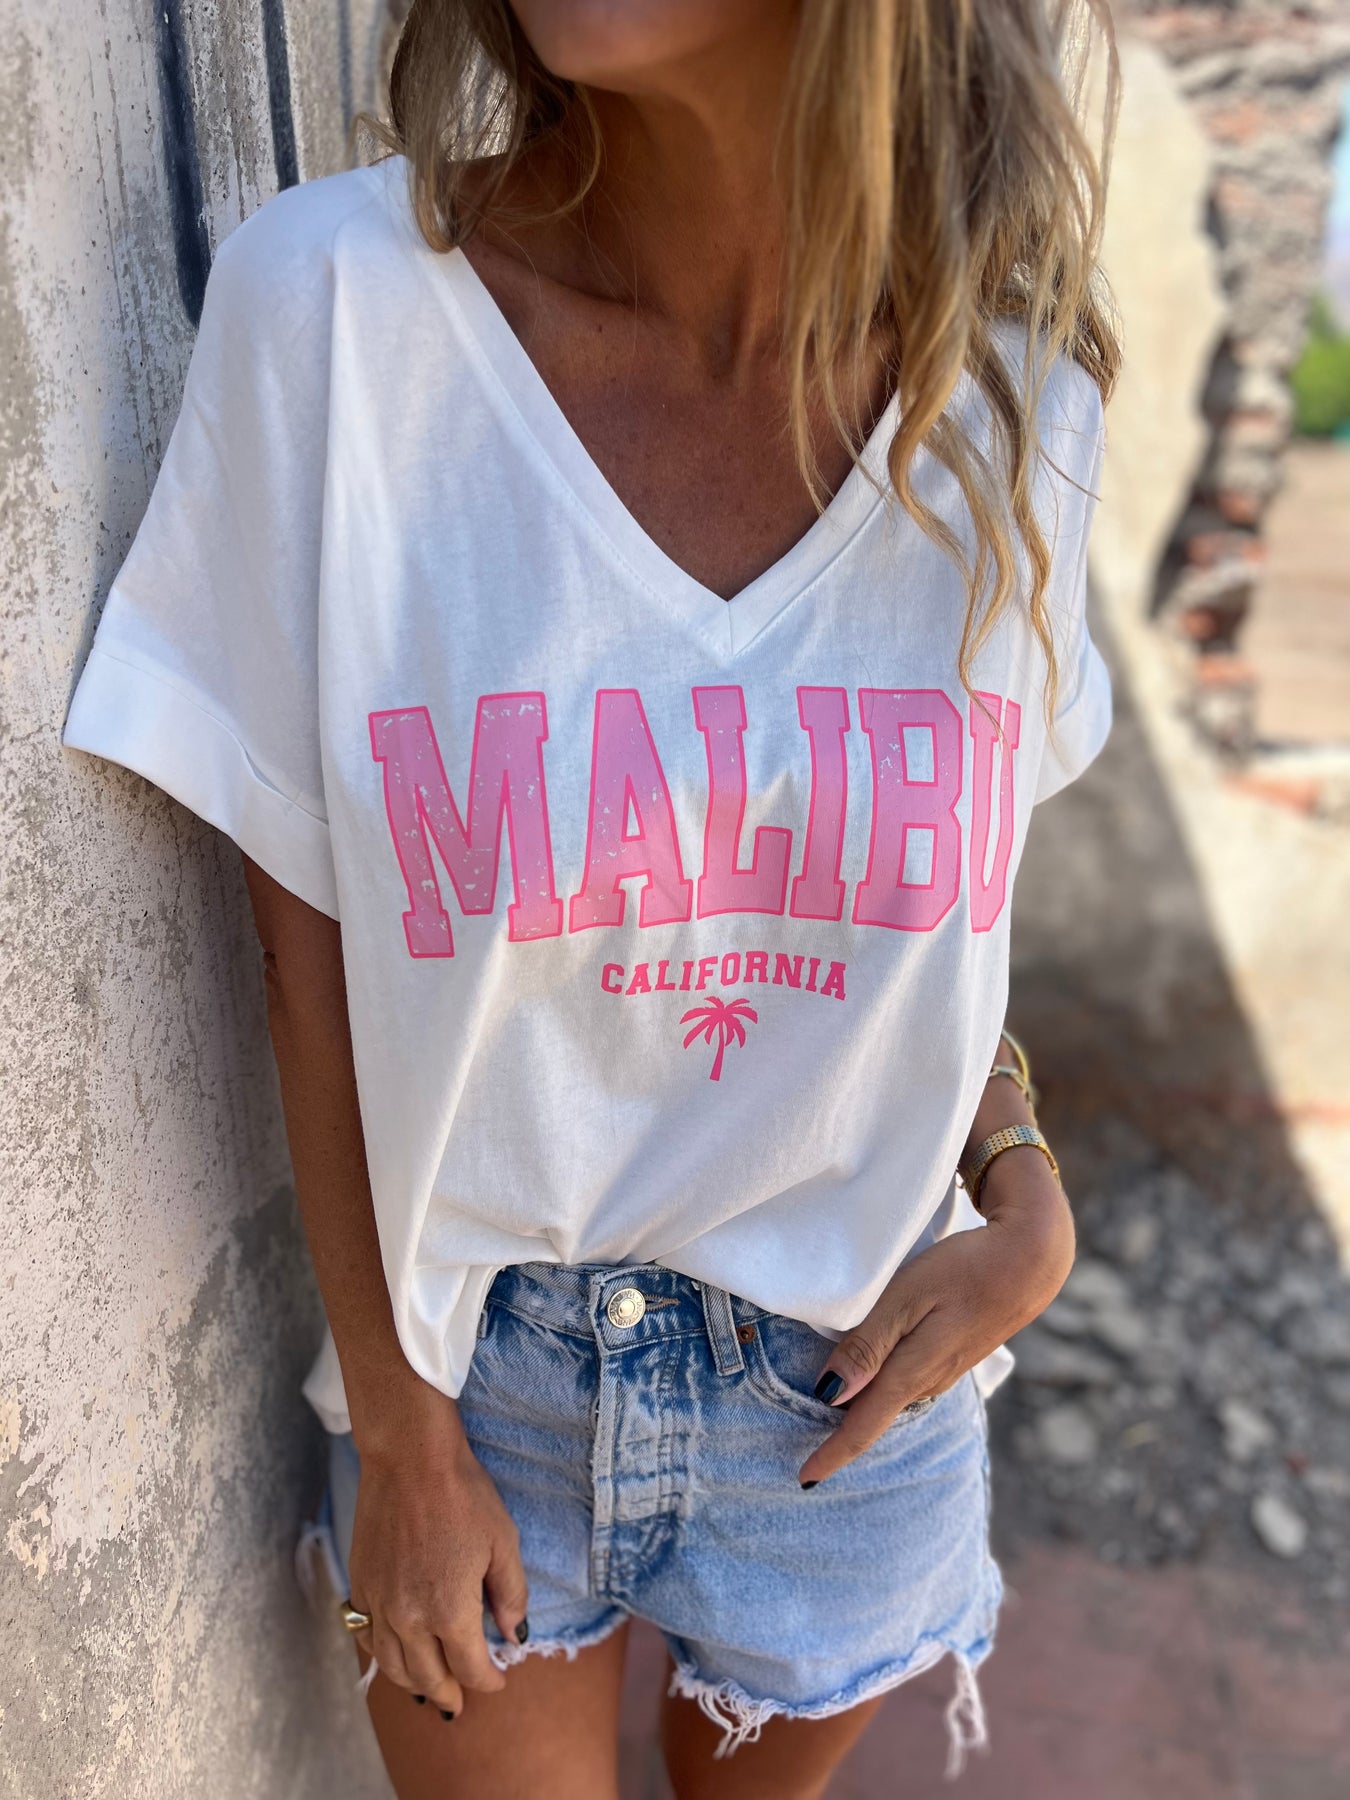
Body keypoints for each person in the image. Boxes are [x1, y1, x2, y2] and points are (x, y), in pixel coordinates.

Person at [62, 2, 1121, 1794]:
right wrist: (402, 1427)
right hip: (478, 1380)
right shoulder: (340, 315)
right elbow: (305, 951)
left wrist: (1023, 1197)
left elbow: (923, 939)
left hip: (847, 1405)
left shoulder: (1016, 399)